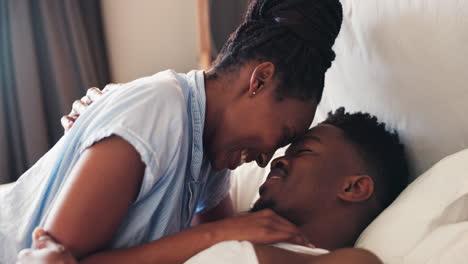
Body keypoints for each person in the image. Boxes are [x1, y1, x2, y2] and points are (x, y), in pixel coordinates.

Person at [0, 0, 344, 263]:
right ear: (260, 80)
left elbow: (223, 250)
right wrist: (220, 232)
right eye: (282, 134)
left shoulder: (208, 151)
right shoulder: (158, 110)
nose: (267, 157)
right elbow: (52, 257)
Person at [17, 108, 410, 264]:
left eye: (304, 151)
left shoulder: (350, 261)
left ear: (354, 188)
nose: (278, 159)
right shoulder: (228, 226)